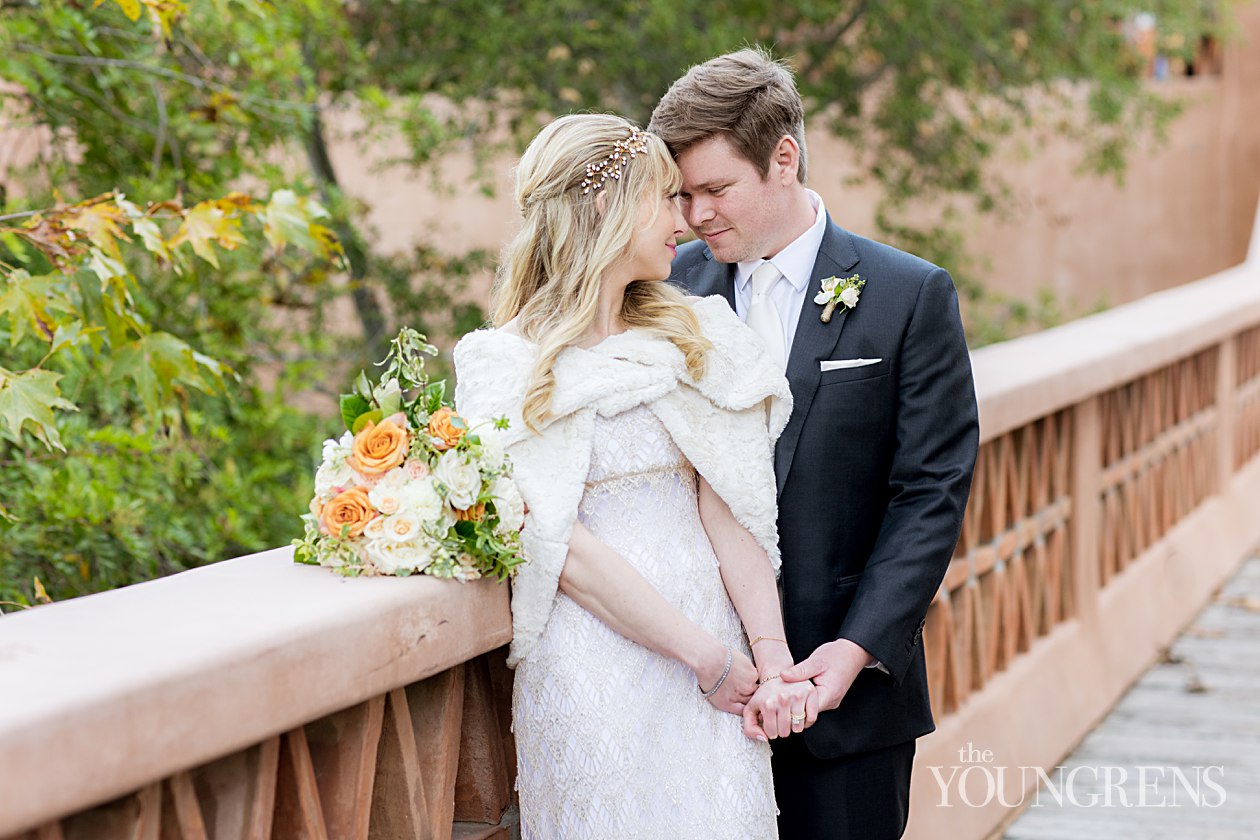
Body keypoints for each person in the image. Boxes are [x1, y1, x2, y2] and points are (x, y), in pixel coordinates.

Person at [650, 48, 980, 839]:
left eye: (716, 189)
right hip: (690, 692)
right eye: (682, 194)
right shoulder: (661, 290)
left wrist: (858, 648)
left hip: (846, 703)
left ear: (784, 158)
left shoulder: (909, 294)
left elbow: (931, 492)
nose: (695, 216)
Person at [453, 113, 813, 838]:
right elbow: (558, 545)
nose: (685, 218)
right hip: (593, 663)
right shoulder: (505, 366)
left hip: (719, 661)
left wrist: (768, 659)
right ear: (604, 208)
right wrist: (701, 657)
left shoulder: (695, 333)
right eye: (665, 198)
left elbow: (732, 510)